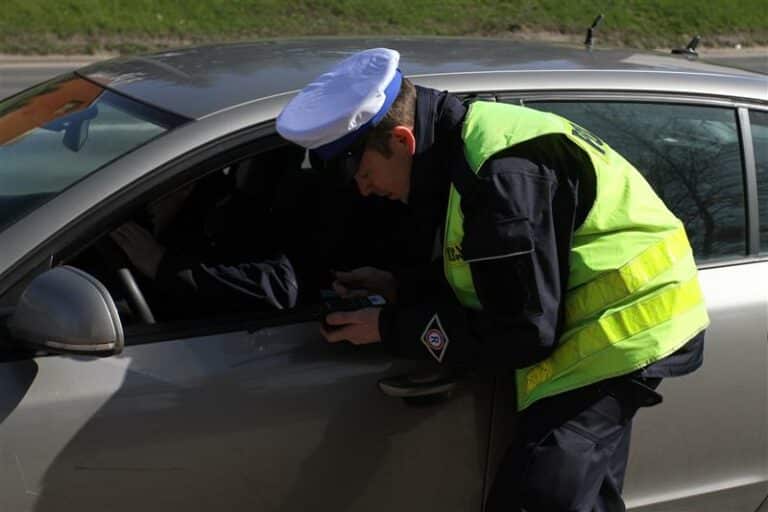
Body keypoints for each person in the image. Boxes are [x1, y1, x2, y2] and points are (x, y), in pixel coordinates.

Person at [276, 48, 708, 511]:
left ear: (402, 141)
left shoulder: (501, 178)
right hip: (582, 321)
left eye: (363, 171)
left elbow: (522, 334)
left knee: (536, 500)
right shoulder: (455, 147)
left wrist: (389, 329)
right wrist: (399, 286)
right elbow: (486, 271)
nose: (362, 188)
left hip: (623, 327)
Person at [107, 166, 299, 321]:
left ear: (184, 187)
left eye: (154, 189)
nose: (147, 203)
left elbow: (280, 291)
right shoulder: (156, 219)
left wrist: (163, 264)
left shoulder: (237, 221)